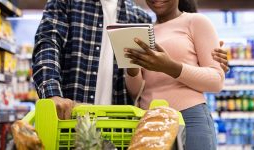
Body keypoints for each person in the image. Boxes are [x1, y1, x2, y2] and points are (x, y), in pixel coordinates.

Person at [32, 0, 228, 120]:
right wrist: (52, 94)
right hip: (71, 117)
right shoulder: (67, 3)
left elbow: (138, 87)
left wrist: (211, 55)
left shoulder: (139, 18)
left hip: (121, 126)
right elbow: (47, 44)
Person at [124, 0, 224, 150]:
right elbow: (135, 91)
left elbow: (216, 80)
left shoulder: (197, 22)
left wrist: (170, 67)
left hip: (189, 118)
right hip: (149, 121)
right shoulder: (144, 32)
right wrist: (132, 69)